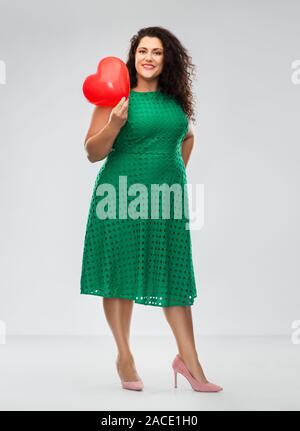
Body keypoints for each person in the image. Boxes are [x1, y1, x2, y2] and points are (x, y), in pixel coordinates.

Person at [80, 26, 223, 392]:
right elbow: (93, 152)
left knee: (176, 276)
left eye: (156, 52)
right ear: (133, 56)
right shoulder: (116, 97)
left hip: (166, 202)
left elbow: (187, 137)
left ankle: (190, 363)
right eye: (143, 50)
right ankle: (124, 356)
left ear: (166, 59)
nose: (148, 57)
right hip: (121, 195)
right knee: (121, 274)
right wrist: (114, 123)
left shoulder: (176, 100)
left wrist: (174, 176)